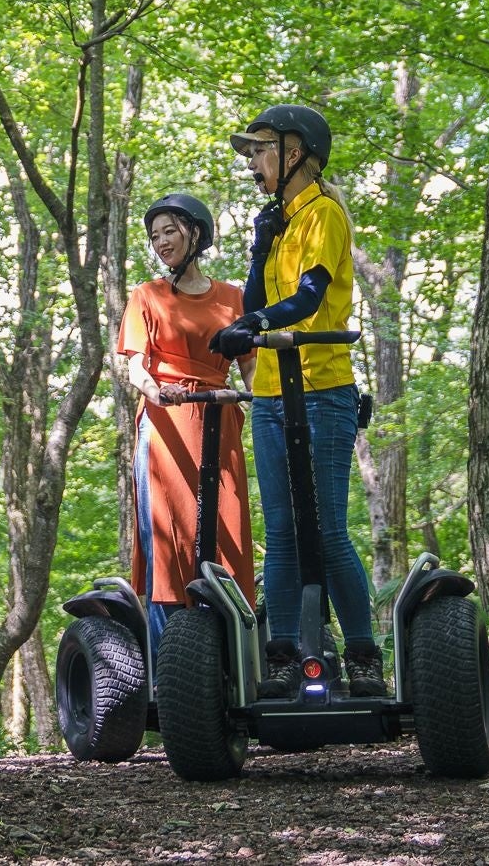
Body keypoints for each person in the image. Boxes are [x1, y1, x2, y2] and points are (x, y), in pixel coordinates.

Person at [210, 104, 387, 697]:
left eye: (261, 149)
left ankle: (363, 653)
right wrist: (260, 250)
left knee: (327, 529)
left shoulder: (325, 214)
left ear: (295, 153)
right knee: (282, 532)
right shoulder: (281, 219)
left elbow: (309, 298)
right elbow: (255, 300)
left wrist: (254, 321)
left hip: (322, 389)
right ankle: (282, 654)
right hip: (269, 393)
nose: (254, 162)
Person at [117, 193, 257, 666]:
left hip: (219, 419)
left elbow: (251, 367)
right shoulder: (146, 296)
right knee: (168, 543)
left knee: (227, 534)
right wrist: (156, 391)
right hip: (166, 424)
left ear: (196, 233)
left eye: (169, 232)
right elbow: (135, 367)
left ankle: (233, 659)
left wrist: (265, 407)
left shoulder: (233, 298)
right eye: (154, 236)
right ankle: (169, 666)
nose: (160, 243)